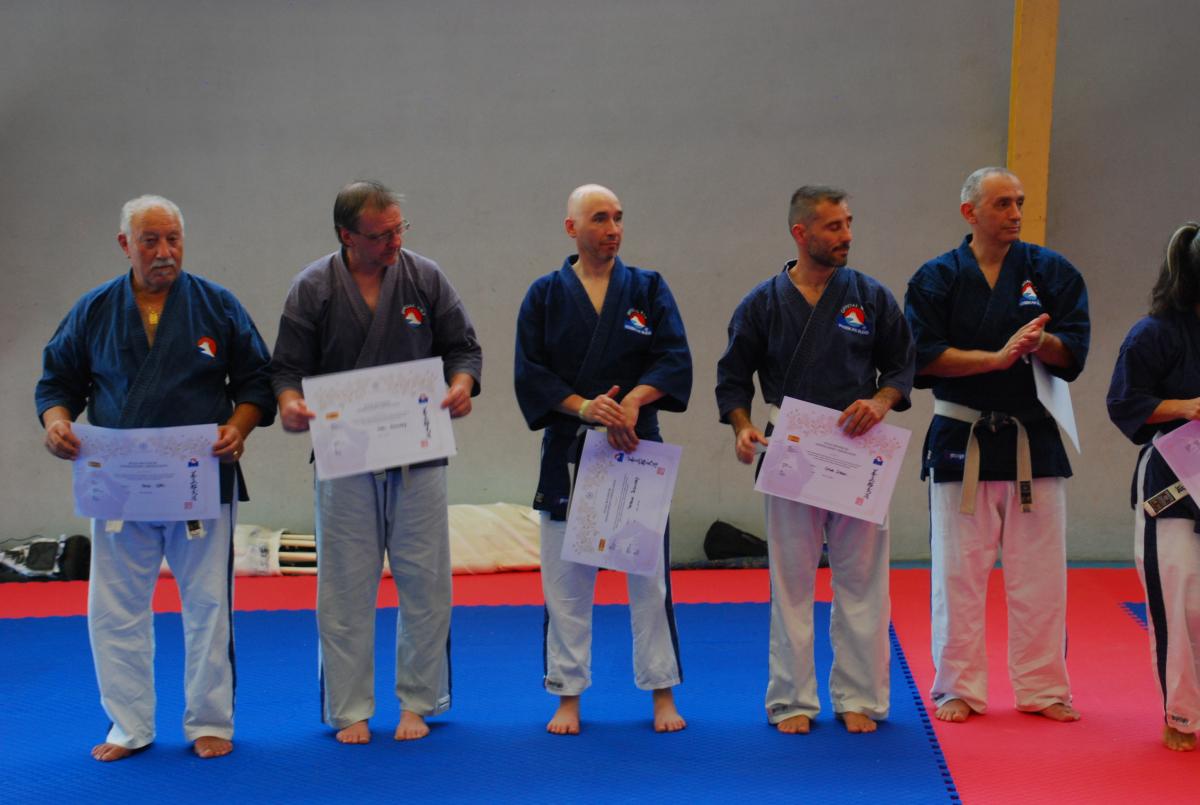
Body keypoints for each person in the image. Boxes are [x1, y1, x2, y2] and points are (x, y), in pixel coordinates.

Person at [36, 195, 275, 761]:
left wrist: (239, 427)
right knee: (114, 609)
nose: (164, 251)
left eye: (173, 239)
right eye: (150, 240)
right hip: (118, 484)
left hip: (200, 480)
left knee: (209, 606)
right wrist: (57, 424)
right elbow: (57, 384)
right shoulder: (94, 309)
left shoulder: (216, 304)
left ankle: (210, 720)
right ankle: (129, 725)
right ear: (126, 245)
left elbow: (257, 382)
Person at [270, 181, 481, 743]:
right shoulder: (312, 287)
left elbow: (464, 348)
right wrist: (289, 404)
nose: (394, 242)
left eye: (398, 229)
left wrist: (462, 385)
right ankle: (350, 708)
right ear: (347, 236)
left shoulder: (425, 277)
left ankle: (418, 702)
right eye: (381, 234)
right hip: (344, 457)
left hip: (419, 454)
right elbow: (286, 369)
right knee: (344, 586)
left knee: (425, 582)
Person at [715, 186, 915, 734]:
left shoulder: (869, 296)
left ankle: (860, 696)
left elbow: (902, 366)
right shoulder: (761, 303)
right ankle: (792, 699)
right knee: (791, 584)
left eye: (848, 223)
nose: (847, 234)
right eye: (833, 226)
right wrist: (742, 427)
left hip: (857, 449)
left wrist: (880, 402)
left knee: (863, 582)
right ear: (800, 233)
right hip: (791, 448)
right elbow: (732, 378)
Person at [904, 167, 1090, 724]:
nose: (1015, 213)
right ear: (970, 213)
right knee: (957, 575)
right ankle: (957, 687)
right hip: (960, 438)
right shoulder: (936, 278)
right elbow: (922, 358)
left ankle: (1043, 688)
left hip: (1034, 437)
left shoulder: (1051, 271)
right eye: (1003, 203)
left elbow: (1075, 351)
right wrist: (996, 358)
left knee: (1041, 577)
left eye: (1019, 202)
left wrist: (1042, 341)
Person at [514, 184, 692, 735]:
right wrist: (586, 407)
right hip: (569, 450)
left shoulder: (648, 288)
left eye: (617, 217)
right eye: (599, 218)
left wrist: (632, 402)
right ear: (572, 228)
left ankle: (661, 691)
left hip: (636, 446)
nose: (612, 229)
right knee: (565, 582)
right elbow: (531, 373)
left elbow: (674, 357)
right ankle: (567, 695)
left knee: (649, 582)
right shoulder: (544, 295)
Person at [1107, 221, 1200, 752]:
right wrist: (1186, 406)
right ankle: (1181, 714)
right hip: (1171, 481)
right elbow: (1124, 402)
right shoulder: (1154, 334)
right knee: (1178, 601)